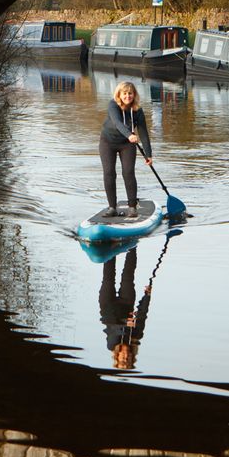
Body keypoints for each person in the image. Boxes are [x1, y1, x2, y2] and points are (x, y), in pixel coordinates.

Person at [99, 81, 153, 218]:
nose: (127, 96)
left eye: (130, 93)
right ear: (119, 94)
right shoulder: (113, 105)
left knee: (128, 172)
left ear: (134, 95)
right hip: (108, 142)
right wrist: (129, 134)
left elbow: (143, 133)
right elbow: (117, 123)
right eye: (125, 93)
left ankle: (132, 207)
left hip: (127, 144)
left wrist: (148, 154)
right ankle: (112, 207)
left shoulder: (138, 111)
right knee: (109, 172)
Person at [98, 248, 152, 370]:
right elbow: (142, 315)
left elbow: (116, 329)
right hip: (126, 305)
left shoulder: (111, 345)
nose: (126, 357)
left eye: (123, 360)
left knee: (108, 275)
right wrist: (147, 296)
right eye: (128, 360)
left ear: (117, 356)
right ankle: (132, 246)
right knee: (128, 275)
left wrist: (127, 324)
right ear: (133, 356)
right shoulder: (137, 335)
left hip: (107, 306)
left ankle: (111, 245)